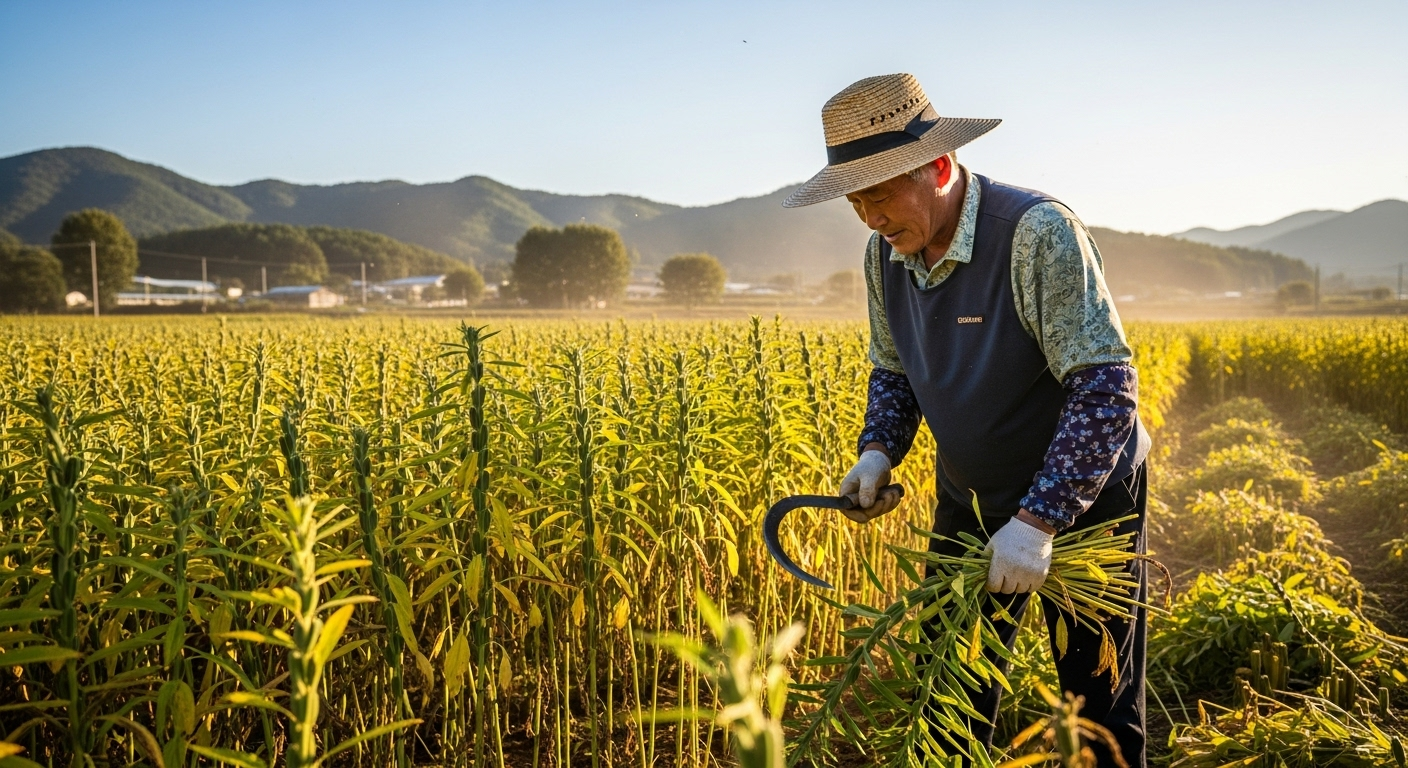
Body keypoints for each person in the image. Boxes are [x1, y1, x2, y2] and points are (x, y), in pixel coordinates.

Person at [783, 73, 1149, 767]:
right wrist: (878, 451)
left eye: (880, 195)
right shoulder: (884, 255)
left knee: (1096, 702)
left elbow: (1105, 389)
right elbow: (895, 368)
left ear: (941, 167)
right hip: (971, 497)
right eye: (856, 202)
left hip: (1084, 502)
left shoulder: (1037, 234)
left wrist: (1039, 521)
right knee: (946, 688)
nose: (870, 218)